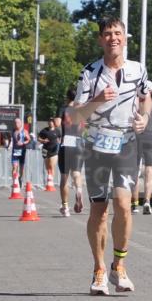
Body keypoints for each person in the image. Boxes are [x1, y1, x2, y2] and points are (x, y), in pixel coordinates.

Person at [72, 17, 152, 296]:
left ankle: (119, 264)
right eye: (107, 34)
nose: (113, 38)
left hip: (126, 144)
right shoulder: (89, 73)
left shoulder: (137, 69)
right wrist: (98, 100)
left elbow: (146, 99)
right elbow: (75, 114)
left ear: (125, 38)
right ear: (100, 40)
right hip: (96, 146)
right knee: (99, 210)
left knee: (123, 203)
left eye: (117, 33)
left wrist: (144, 118)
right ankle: (99, 269)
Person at [58, 88, 85, 217]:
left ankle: (65, 207)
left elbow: (58, 123)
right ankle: (79, 191)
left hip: (67, 142)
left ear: (67, 97)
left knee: (64, 176)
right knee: (77, 173)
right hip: (79, 141)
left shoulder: (64, 109)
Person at [38, 118, 61, 190]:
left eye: (52, 122)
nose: (50, 123)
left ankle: (51, 182)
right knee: (47, 167)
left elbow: (60, 138)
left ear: (54, 123)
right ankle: (49, 180)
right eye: (49, 121)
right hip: (45, 150)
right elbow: (38, 138)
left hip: (54, 150)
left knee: (51, 166)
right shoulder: (44, 130)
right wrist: (43, 140)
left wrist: (59, 142)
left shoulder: (57, 130)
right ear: (48, 123)